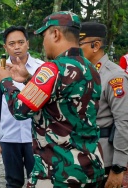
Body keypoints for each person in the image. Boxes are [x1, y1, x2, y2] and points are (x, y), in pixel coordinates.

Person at [0, 11, 105, 187]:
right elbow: (58, 96)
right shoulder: (90, 68)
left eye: (44, 36)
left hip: (59, 172)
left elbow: (20, 109)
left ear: (55, 34)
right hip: (90, 169)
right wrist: (28, 79)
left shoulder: (52, 69)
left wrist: (5, 81)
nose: (43, 42)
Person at [79, 22, 128, 188]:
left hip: (104, 159)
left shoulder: (114, 77)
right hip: (82, 157)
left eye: (79, 44)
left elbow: (124, 122)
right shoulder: (82, 72)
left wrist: (118, 167)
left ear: (96, 45)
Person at [0, 26, 43, 188]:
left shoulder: (41, 68)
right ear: (5, 47)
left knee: (38, 180)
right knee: (13, 182)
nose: (17, 47)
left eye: (21, 42)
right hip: (9, 135)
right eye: (12, 43)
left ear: (28, 44)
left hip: (36, 137)